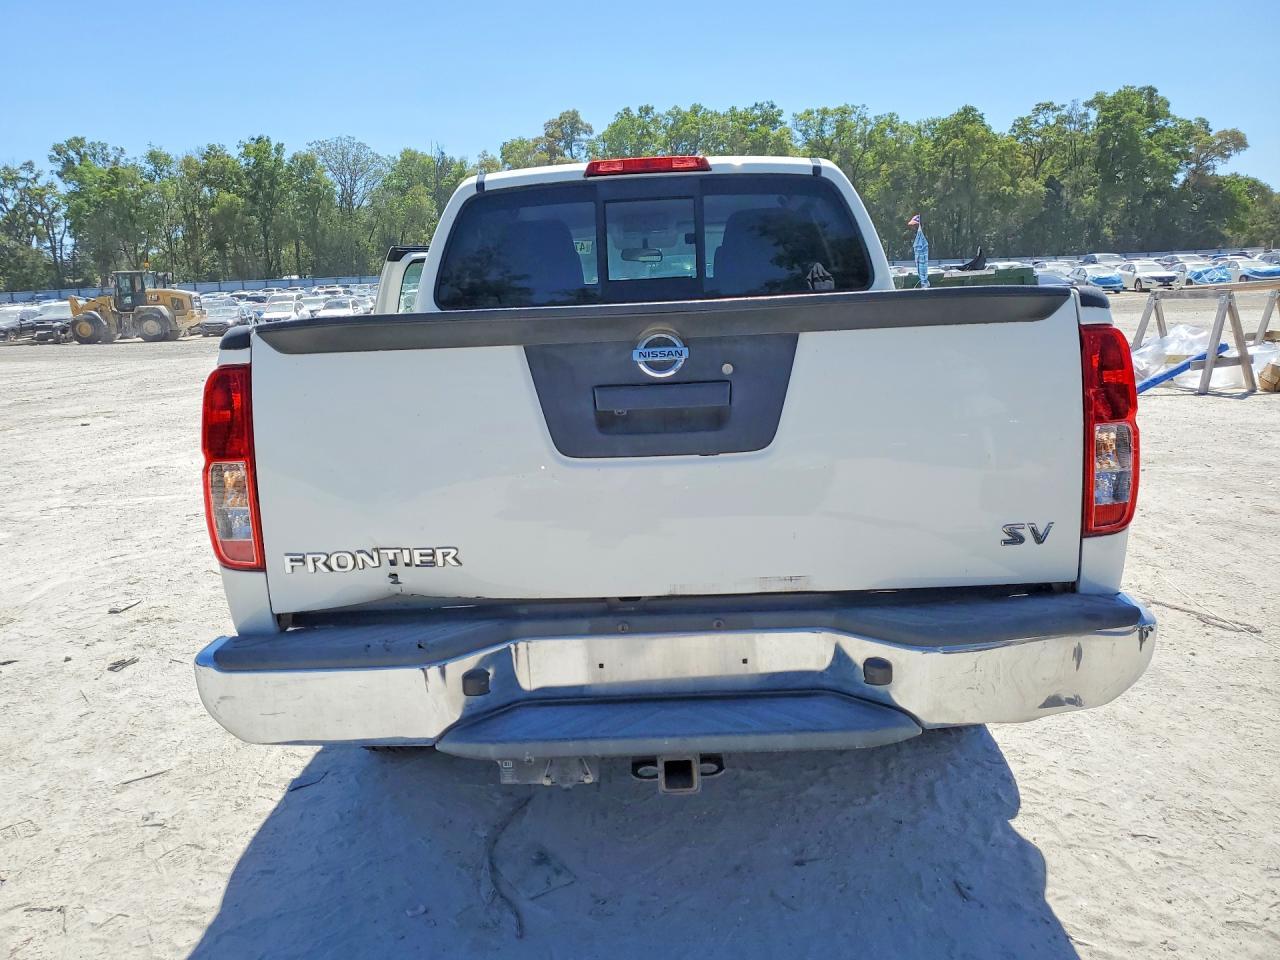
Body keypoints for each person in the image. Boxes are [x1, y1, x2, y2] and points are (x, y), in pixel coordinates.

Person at [908, 214, 929, 288]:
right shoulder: (916, 235)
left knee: (922, 268)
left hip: (922, 260)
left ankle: (924, 282)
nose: (912, 227)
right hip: (919, 260)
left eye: (913, 225)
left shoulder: (921, 235)